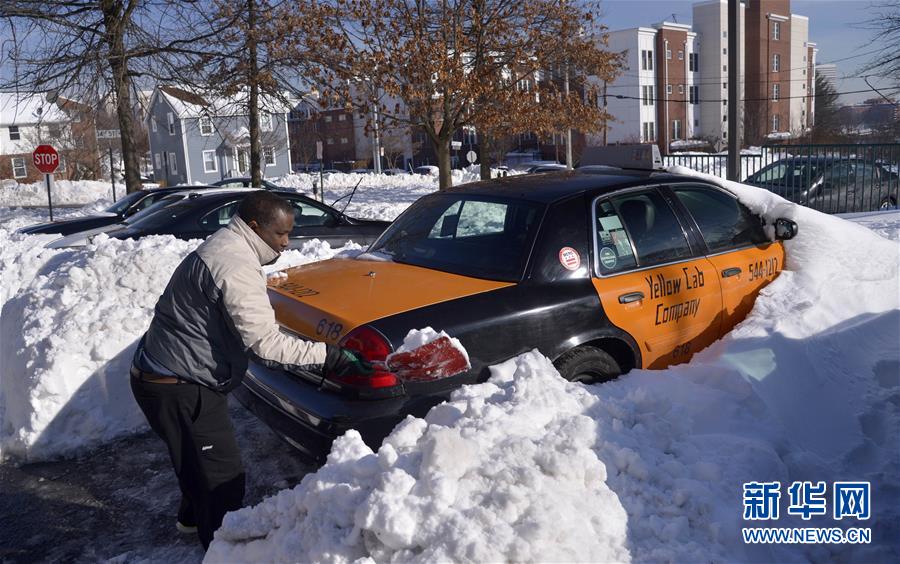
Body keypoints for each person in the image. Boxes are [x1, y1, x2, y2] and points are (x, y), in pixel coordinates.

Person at [130, 190, 368, 549]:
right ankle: (220, 551)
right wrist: (329, 356)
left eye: (290, 233)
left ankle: (191, 519)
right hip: (182, 385)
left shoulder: (227, 245)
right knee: (222, 479)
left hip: (159, 374)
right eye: (280, 233)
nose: (286, 242)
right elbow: (265, 346)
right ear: (254, 227)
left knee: (194, 457)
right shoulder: (235, 264)